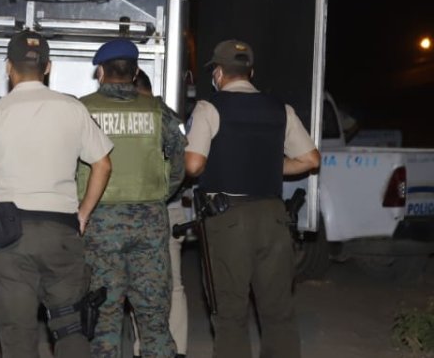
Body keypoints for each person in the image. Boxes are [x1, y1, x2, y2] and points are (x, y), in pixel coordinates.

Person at [0, 30, 113, 358]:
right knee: (70, 327)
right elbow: (103, 165)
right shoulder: (72, 108)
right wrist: (82, 214)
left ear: (8, 67)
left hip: (13, 235)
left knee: (17, 335)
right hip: (62, 231)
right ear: (48, 66)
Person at [185, 39, 321, 358]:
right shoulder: (280, 109)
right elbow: (311, 159)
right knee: (278, 311)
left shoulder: (209, 108)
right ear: (251, 71)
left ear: (218, 73)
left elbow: (193, 165)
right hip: (274, 217)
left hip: (228, 219)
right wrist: (272, 165)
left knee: (230, 312)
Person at [77, 39, 184, 358]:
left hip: (98, 224)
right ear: (136, 71)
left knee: (103, 318)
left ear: (100, 72)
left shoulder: (82, 110)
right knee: (154, 319)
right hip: (149, 223)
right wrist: (160, 195)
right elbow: (180, 161)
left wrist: (79, 204)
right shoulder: (159, 111)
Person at [134, 69, 189, 358]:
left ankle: (151, 347)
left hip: (156, 209)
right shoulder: (170, 116)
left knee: (151, 282)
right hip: (166, 207)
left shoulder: (153, 115)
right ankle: (170, 348)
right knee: (170, 283)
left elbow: (184, 165)